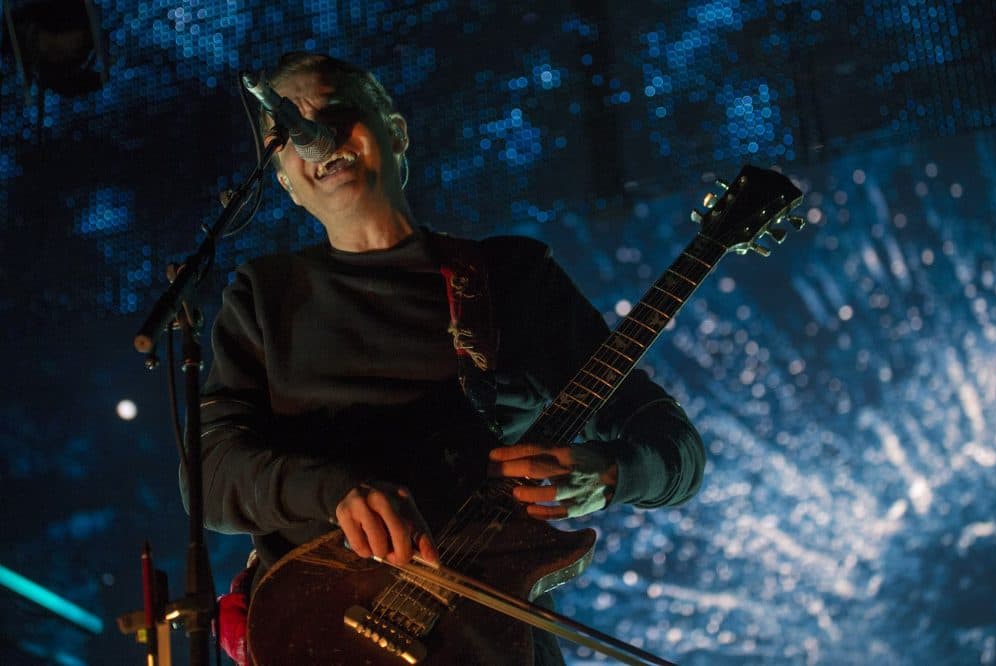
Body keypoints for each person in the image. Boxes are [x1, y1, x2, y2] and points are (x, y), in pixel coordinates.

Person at [184, 52, 704, 665]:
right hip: (325, 638)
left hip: (494, 643)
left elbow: (679, 452)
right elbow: (208, 476)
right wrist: (333, 490)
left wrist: (611, 472)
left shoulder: (515, 277)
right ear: (286, 183)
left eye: (334, 114)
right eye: (289, 132)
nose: (315, 139)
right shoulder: (263, 297)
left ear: (396, 133)